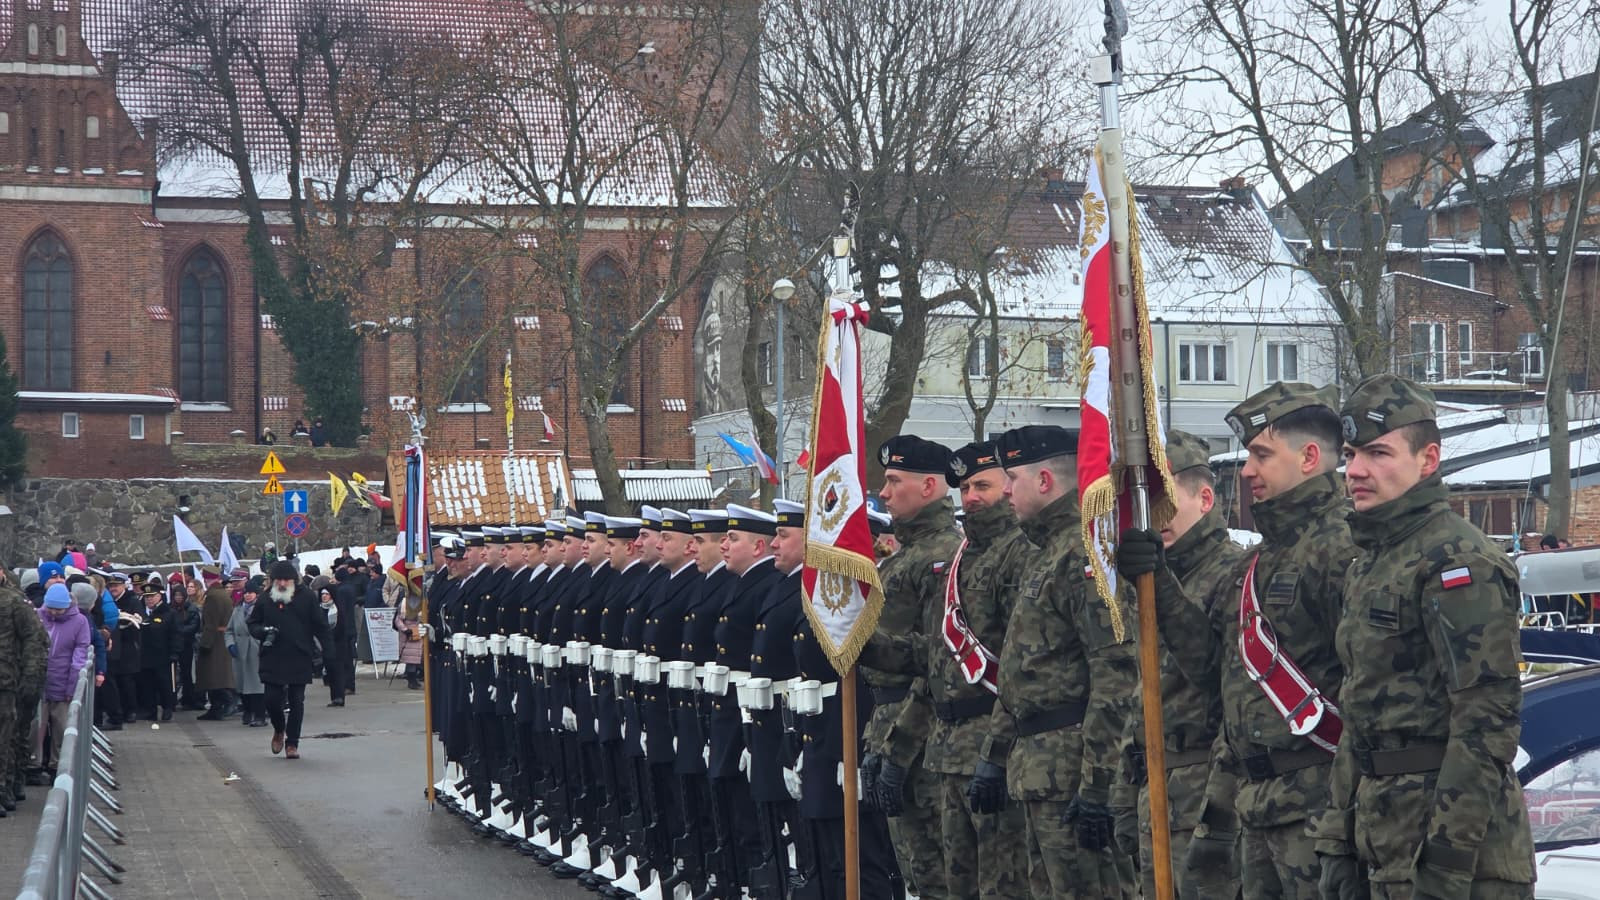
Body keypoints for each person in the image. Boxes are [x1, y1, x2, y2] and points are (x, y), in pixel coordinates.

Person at [1119, 383, 1356, 899]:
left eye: (1261, 455)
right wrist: (1157, 580)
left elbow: (1368, 696)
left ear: (1308, 457)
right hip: (1256, 807)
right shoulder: (1257, 563)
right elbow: (1216, 676)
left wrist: (1346, 823)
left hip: (1318, 809)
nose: (1247, 471)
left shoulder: (1344, 548)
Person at [1308, 375, 1533, 899]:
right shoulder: (1372, 562)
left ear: (1428, 460)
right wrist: (1337, 838)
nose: (1355, 470)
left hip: (1457, 856)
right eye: (1351, 455)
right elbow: (1360, 712)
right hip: (1383, 842)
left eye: (1378, 453)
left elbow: (1487, 719)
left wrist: (1447, 862)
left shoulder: (1457, 560)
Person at [994, 425, 1136, 899]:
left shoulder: (1081, 553)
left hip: (1072, 771)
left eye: (1012, 478)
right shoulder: (1047, 552)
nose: (1005, 490)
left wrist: (1098, 784)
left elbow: (1115, 673)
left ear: (1045, 481)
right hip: (1038, 769)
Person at [1115, 431, 1246, 900]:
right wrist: (1123, 791)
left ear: (1205, 499)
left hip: (1206, 789)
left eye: (1165, 501)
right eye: (1144, 503)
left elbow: (1215, 674)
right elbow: (1139, 691)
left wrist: (1161, 584)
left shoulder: (1233, 571)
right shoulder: (1151, 578)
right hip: (1155, 787)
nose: (1153, 517)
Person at [860, 434, 963, 899]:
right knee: (914, 873)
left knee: (937, 874)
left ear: (929, 487)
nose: (883, 493)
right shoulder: (905, 556)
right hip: (889, 720)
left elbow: (938, 657)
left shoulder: (942, 556)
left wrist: (865, 646)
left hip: (920, 730)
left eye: (894, 480)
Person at [249, 560, 333, 759]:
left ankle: (292, 742)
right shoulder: (265, 598)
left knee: (296, 701)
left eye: (286, 580)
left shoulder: (307, 597)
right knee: (271, 700)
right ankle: (279, 729)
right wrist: (263, 631)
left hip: (299, 655)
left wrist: (329, 651)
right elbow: (253, 623)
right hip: (272, 656)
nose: (282, 584)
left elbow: (320, 626)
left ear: (294, 581)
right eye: (278, 580)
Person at [0, 574, 48, 816]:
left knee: (9, 736)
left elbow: (35, 640)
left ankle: (7, 785)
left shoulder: (14, 601)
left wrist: (30, 678)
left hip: (8, 680)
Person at [37, 585, 90, 779]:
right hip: (39, 683)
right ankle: (34, 763)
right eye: (51, 608)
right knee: (36, 728)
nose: (53, 612)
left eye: (58, 609)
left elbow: (80, 653)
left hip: (63, 681)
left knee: (61, 728)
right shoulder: (38, 616)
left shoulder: (80, 622)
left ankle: (57, 765)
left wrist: (71, 686)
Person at [195, 569, 240, 720]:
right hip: (221, 638)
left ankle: (224, 705)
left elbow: (211, 623)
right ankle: (217, 707)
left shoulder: (213, 596)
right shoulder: (222, 594)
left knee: (214, 677)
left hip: (215, 640)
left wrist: (205, 644)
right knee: (218, 676)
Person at [227, 576, 268, 727]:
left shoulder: (263, 608)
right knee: (241, 685)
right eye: (246, 593)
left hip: (255, 650)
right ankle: (247, 711)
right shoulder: (237, 609)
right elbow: (229, 630)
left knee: (257, 685)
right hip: (240, 650)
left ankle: (259, 715)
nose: (248, 595)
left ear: (257, 594)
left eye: (251, 592)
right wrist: (230, 644)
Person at [136, 582, 177, 721]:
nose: (149, 599)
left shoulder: (168, 613)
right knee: (148, 684)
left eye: (152, 596)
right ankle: (150, 710)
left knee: (164, 683)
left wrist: (174, 652)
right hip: (146, 655)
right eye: (146, 597)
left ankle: (167, 708)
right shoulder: (143, 613)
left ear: (160, 596)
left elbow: (175, 634)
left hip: (162, 655)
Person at [168, 584, 203, 710]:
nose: (178, 597)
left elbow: (193, 626)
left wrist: (178, 630)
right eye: (176, 595)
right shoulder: (170, 608)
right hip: (172, 645)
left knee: (186, 673)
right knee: (172, 674)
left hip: (186, 644)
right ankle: (171, 699)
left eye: (180, 595)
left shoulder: (191, 609)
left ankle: (188, 699)